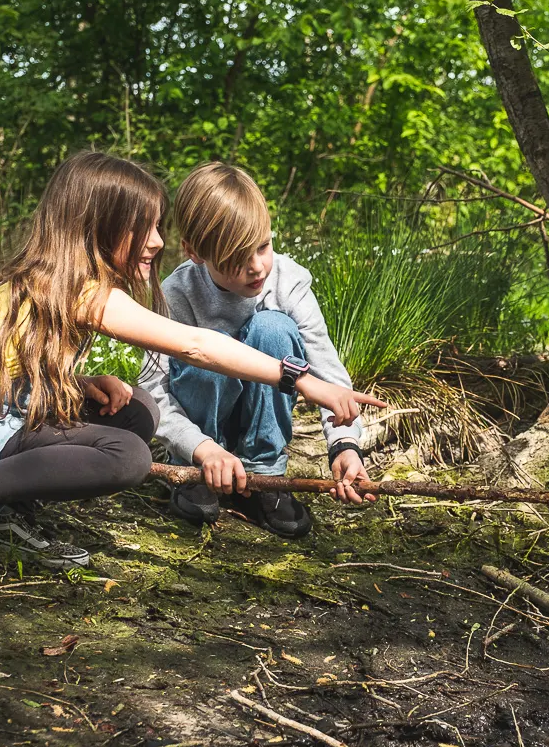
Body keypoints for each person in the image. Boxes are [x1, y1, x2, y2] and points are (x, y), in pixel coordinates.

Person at [0, 152, 383, 593]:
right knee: (127, 456)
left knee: (136, 412)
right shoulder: (80, 289)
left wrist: (77, 384)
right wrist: (301, 380)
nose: (157, 241)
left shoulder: (57, 283)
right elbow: (196, 346)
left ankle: (7, 512)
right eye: (144, 228)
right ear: (99, 230)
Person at [141, 162, 381, 538]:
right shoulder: (177, 294)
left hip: (260, 430)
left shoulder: (288, 281)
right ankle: (195, 479)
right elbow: (153, 390)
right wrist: (200, 448)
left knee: (274, 328)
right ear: (194, 252)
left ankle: (263, 474)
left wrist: (345, 446)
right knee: (203, 347)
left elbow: (325, 372)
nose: (257, 267)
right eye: (237, 259)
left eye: (264, 246)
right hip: (201, 444)